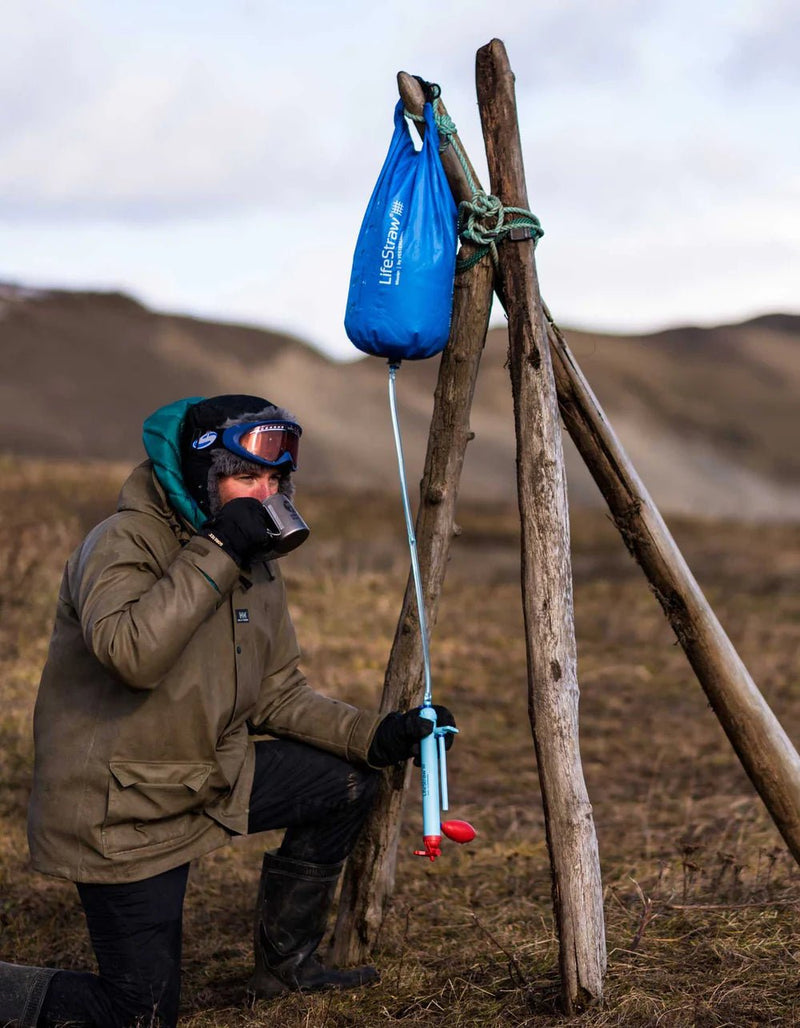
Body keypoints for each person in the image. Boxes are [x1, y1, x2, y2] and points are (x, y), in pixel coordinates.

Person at [0, 394, 455, 1028]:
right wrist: (218, 548)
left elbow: (276, 693)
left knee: (348, 780)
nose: (264, 494)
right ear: (199, 474)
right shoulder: (122, 541)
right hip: (124, 809)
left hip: (208, 778)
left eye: (274, 480)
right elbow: (132, 655)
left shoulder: (251, 560)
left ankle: (287, 970)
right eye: (246, 477)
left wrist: (376, 736)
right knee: (142, 1015)